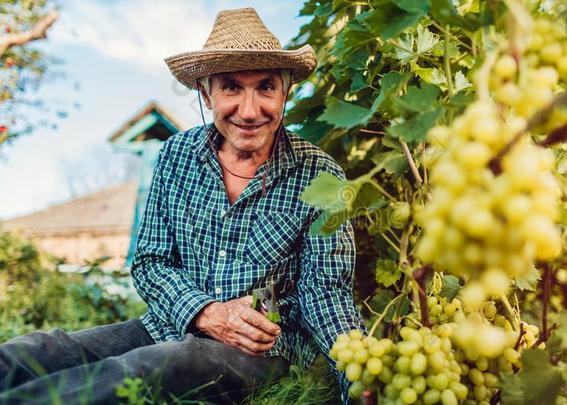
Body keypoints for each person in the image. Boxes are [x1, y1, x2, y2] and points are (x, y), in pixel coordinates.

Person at [0, 7, 365, 404]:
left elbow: (325, 290)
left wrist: (357, 374)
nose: (249, 109)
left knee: (144, 370)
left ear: (285, 92)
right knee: (40, 353)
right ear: (206, 93)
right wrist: (206, 313)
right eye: (230, 87)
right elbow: (150, 261)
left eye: (265, 87)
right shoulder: (177, 155)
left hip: (260, 350)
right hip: (165, 324)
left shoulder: (318, 174)